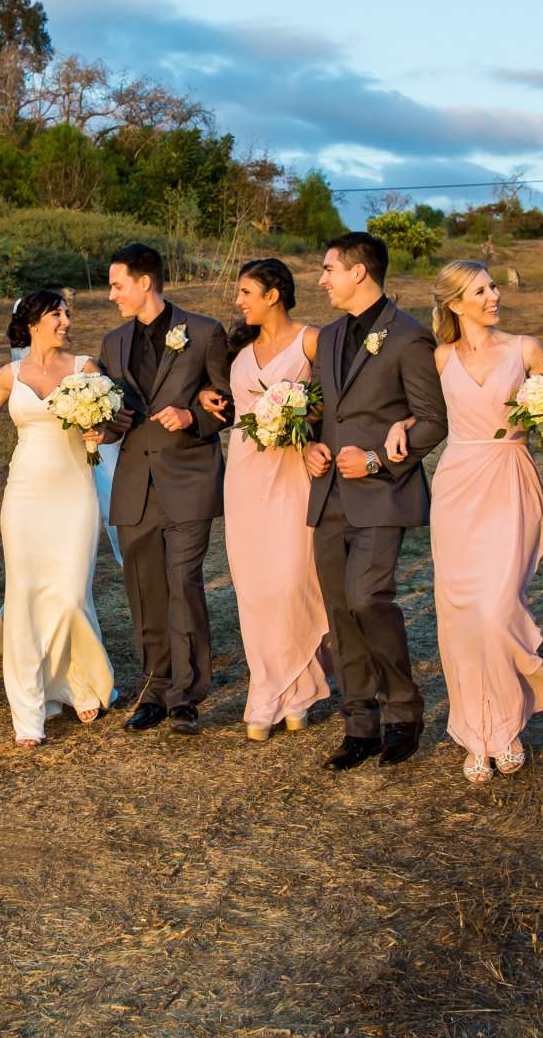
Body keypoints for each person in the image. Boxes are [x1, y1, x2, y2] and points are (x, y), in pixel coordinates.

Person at [305, 231, 447, 769]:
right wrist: (311, 447)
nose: (322, 279)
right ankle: (359, 725)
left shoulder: (410, 338)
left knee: (369, 599)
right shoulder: (330, 335)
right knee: (340, 610)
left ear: (359, 271)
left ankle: (404, 712)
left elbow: (433, 419)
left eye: (329, 269)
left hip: (382, 495)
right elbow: (317, 409)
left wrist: (377, 461)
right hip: (329, 496)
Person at [426, 260, 543, 783]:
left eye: (492, 287)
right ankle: (477, 731)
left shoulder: (526, 349)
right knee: (460, 614)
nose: (493, 296)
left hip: (509, 477)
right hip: (458, 482)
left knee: (497, 605)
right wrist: (398, 425)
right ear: (455, 303)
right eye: (480, 290)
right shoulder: (440, 358)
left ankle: (511, 714)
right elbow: (423, 414)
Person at [97, 242, 233, 734]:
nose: (111, 294)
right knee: (143, 589)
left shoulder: (203, 332)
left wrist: (192, 416)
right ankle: (154, 688)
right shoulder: (112, 343)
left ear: (144, 283)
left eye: (117, 285)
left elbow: (228, 405)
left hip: (188, 479)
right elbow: (114, 415)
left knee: (182, 583)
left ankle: (186, 695)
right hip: (134, 482)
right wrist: (102, 425)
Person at [0, 289, 115, 746]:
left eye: (66, 313)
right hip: (24, 494)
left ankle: (77, 680)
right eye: (56, 314)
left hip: (75, 491)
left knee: (67, 594)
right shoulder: (8, 375)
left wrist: (101, 429)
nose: (65, 321)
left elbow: (116, 421)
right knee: (24, 596)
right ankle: (30, 708)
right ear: (31, 323)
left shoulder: (86, 369)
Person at [221, 258, 331, 742]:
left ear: (274, 294)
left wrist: (309, 432)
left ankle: (299, 687)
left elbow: (334, 400)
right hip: (245, 474)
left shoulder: (311, 340)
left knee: (292, 581)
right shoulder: (239, 349)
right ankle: (266, 691)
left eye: (246, 292)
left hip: (292, 472)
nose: (238, 301)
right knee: (254, 587)